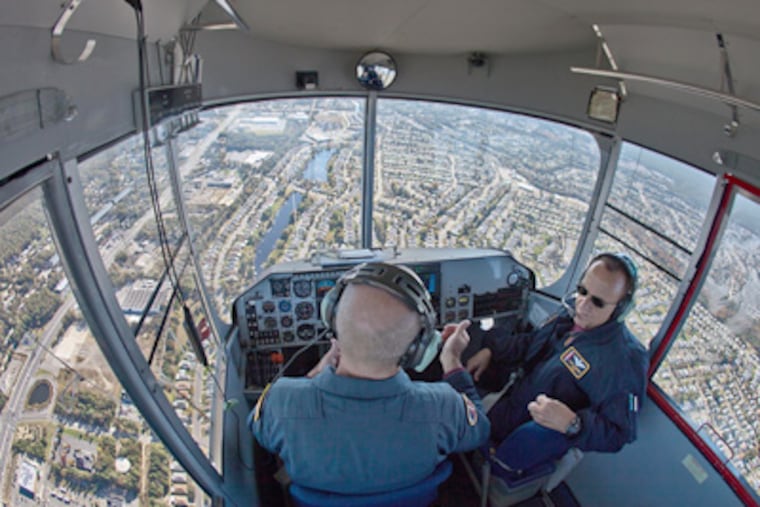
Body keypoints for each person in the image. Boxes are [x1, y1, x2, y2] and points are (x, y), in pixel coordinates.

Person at [250, 262, 490, 494]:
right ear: (419, 348)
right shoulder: (445, 407)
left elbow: (259, 431)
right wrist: (452, 361)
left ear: (331, 317)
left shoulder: (280, 401)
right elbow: (479, 429)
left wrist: (314, 377)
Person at [466, 252, 649, 473]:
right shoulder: (571, 313)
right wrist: (491, 350)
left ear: (620, 309)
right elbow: (532, 343)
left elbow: (619, 433)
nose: (583, 305)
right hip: (512, 388)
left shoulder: (623, 361)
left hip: (517, 423)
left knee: (451, 397)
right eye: (582, 291)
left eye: (598, 302)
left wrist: (573, 424)